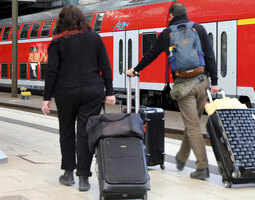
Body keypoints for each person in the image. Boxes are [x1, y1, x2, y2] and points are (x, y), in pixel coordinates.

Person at [126, 3, 220, 180]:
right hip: (202, 83)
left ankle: (202, 167)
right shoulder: (199, 29)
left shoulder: (167, 33)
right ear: (186, 14)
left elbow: (151, 54)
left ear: (170, 16)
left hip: (184, 86)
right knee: (192, 123)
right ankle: (181, 158)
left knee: (192, 125)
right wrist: (214, 81)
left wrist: (136, 69)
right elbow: (210, 55)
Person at [41, 5, 116, 192]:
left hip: (65, 92)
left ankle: (68, 174)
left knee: (66, 131)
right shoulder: (94, 37)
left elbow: (51, 72)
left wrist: (46, 98)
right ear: (82, 19)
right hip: (92, 91)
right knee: (85, 133)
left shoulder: (57, 42)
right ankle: (83, 178)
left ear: (61, 21)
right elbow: (105, 66)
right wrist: (110, 92)